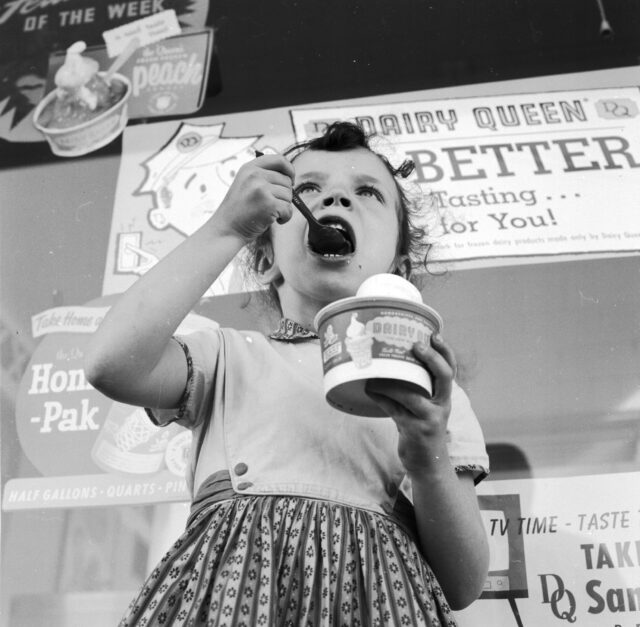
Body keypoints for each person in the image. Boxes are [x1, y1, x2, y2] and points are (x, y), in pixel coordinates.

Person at [85, 121, 490, 626]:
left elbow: (463, 583)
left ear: (399, 268)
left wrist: (427, 454)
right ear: (267, 255)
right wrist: (226, 228)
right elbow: (110, 364)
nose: (337, 200)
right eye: (309, 189)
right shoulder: (225, 359)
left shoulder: (429, 392)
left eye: (366, 192)